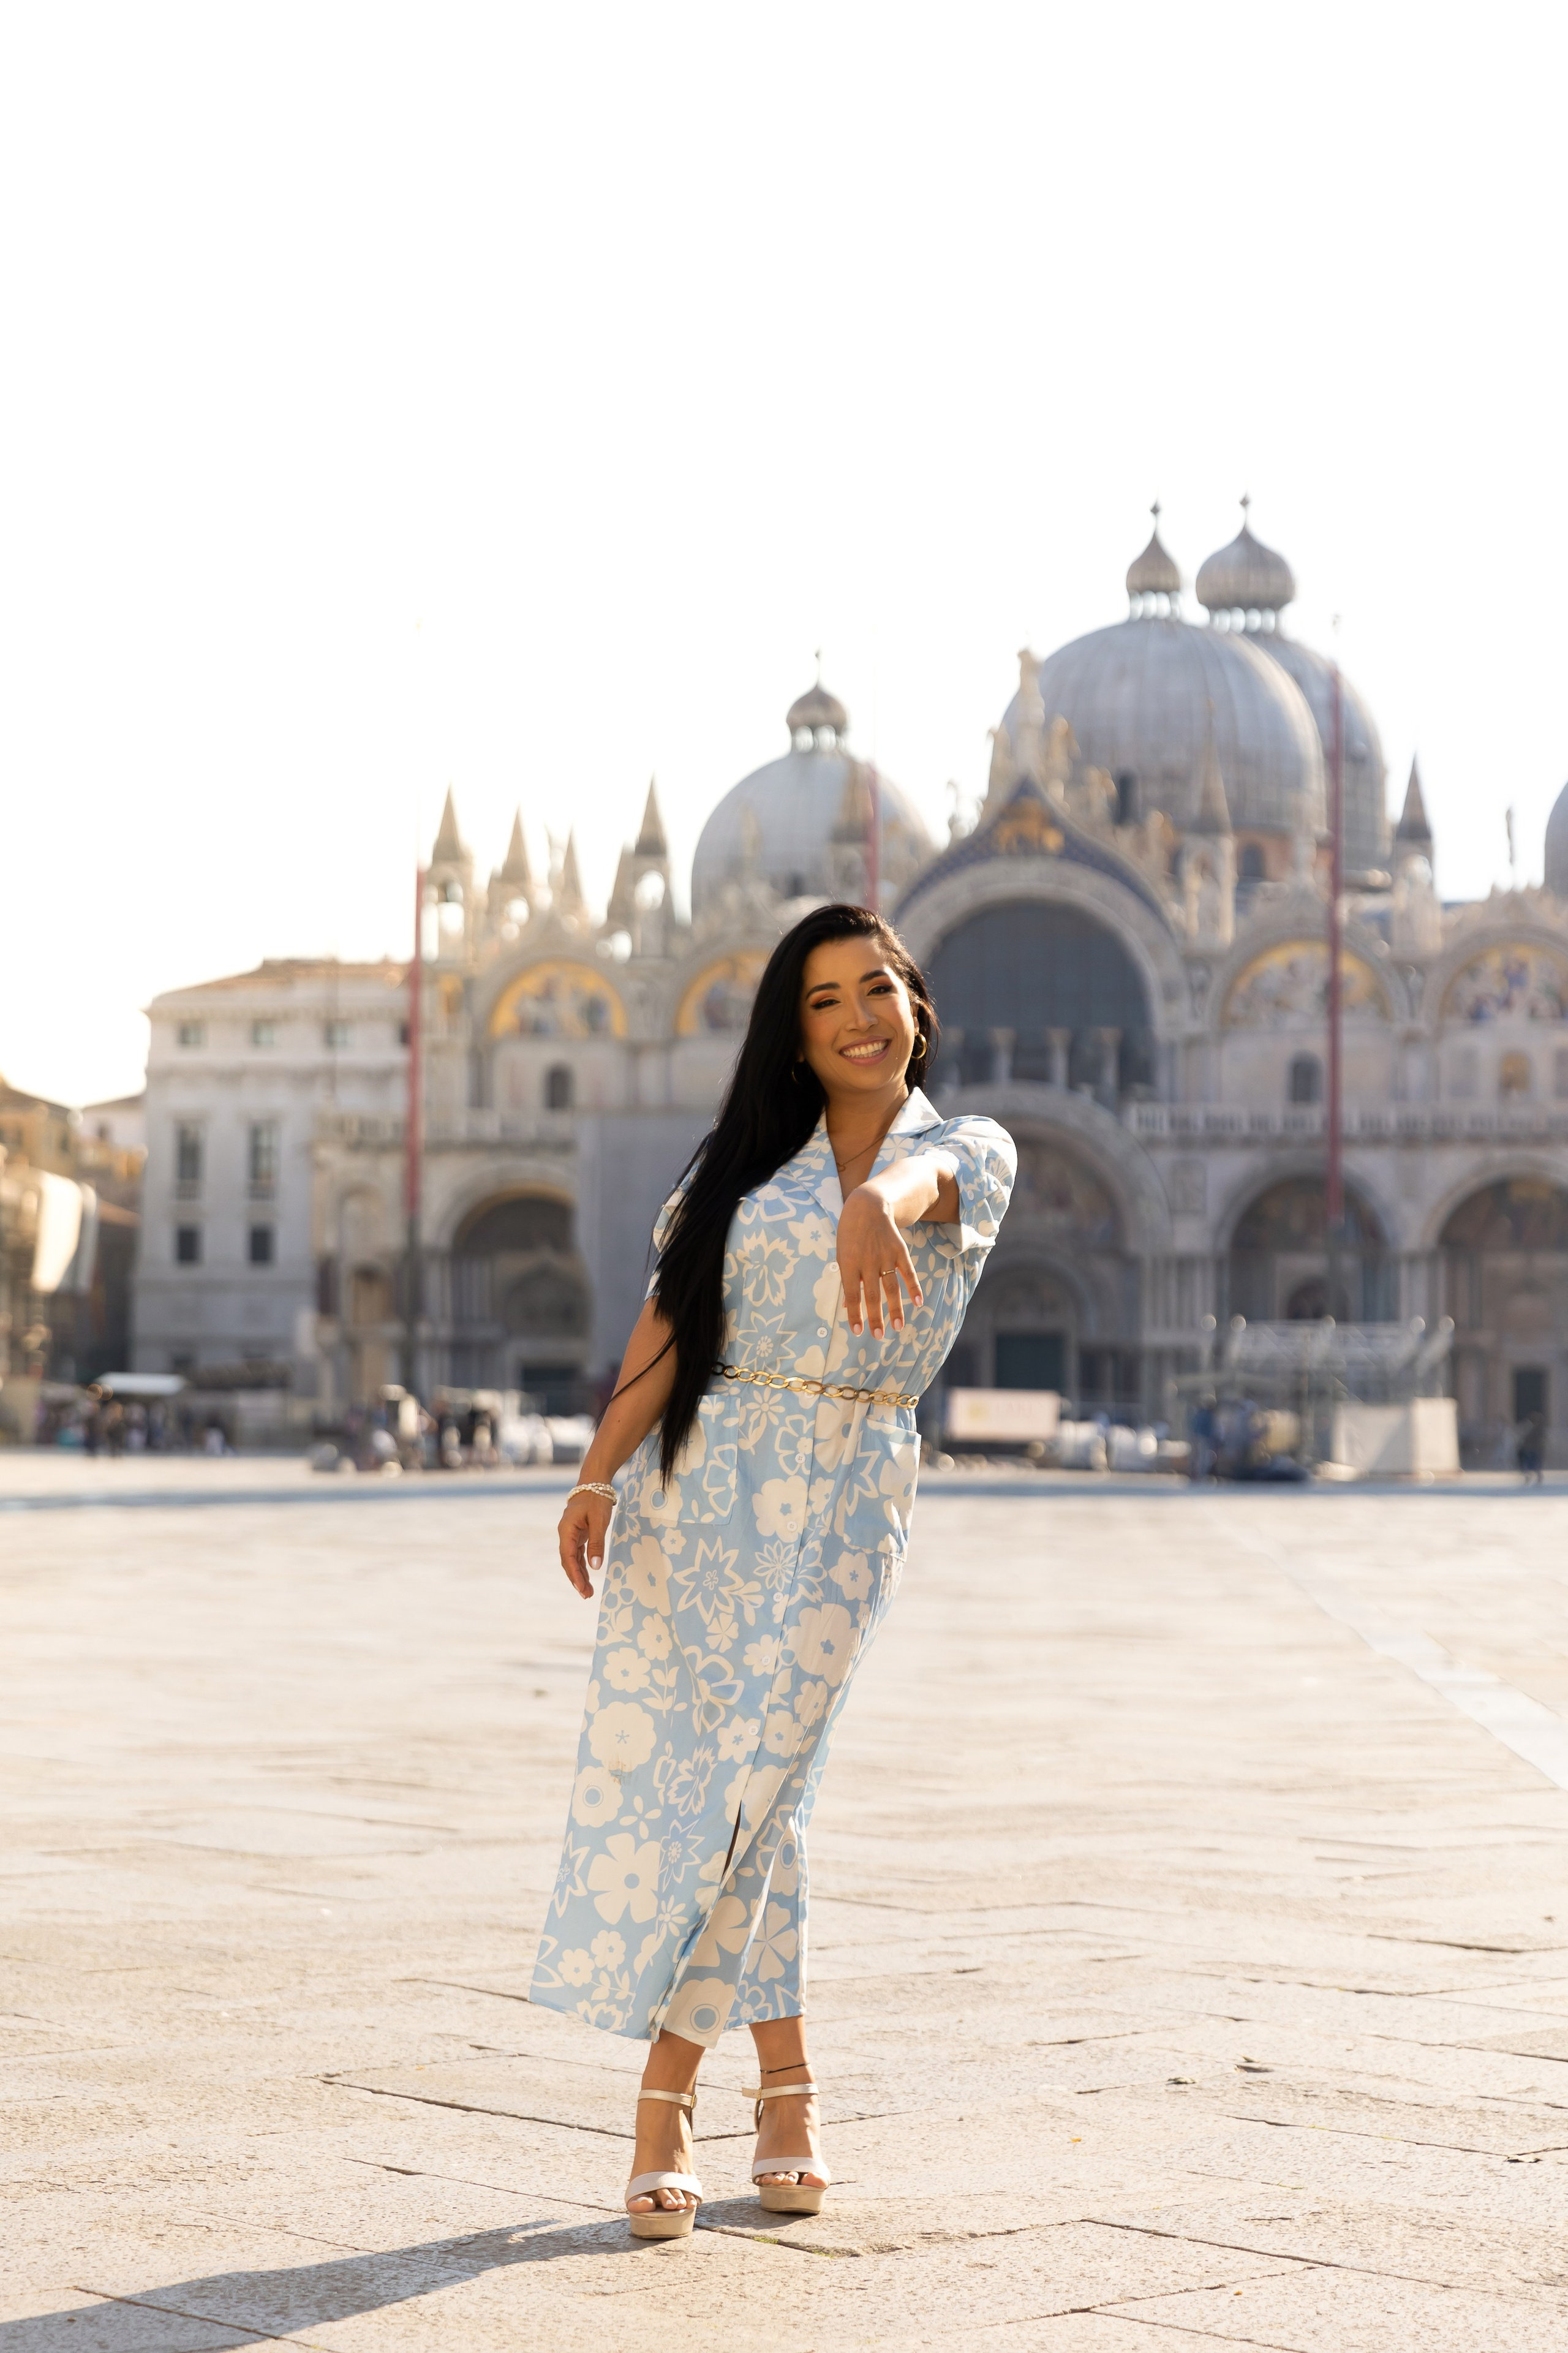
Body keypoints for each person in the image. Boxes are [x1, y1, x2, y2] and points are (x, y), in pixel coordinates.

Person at [536, 903, 1015, 2239]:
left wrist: (874, 1193)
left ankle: (664, 2091)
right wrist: (593, 1471)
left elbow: (930, 1189)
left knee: (757, 1778)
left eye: (877, 989)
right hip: (701, 1485)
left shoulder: (967, 1149)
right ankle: (789, 2090)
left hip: (853, 1478)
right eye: (822, 1001)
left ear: (915, 1003)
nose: (857, 1016)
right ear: (792, 1034)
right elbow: (670, 1323)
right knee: (752, 1785)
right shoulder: (740, 1171)